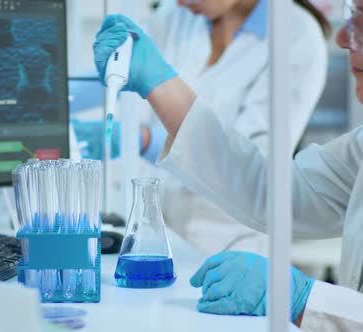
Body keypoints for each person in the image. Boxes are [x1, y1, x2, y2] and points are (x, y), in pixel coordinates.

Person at [92, 2, 363, 330]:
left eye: (361, 19)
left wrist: (308, 300)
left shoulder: (293, 34)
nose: (342, 37)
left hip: (225, 242)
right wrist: (159, 85)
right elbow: (273, 190)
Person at [140, 0, 330, 256]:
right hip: (164, 228)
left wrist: (149, 140)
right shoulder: (177, 16)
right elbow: (113, 85)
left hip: (230, 238)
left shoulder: (296, 35)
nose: (180, 1)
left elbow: (253, 163)